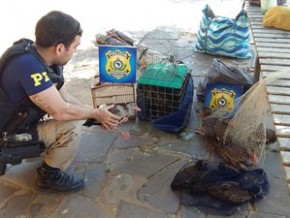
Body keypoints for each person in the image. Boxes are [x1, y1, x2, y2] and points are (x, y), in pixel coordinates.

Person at [0, 11, 122, 193]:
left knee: (75, 116)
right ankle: (49, 177)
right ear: (59, 48)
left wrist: (95, 115)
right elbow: (61, 111)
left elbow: (65, 98)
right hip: (6, 133)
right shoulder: (29, 67)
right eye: (75, 47)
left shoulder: (38, 56)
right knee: (71, 126)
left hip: (11, 122)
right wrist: (95, 113)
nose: (75, 52)